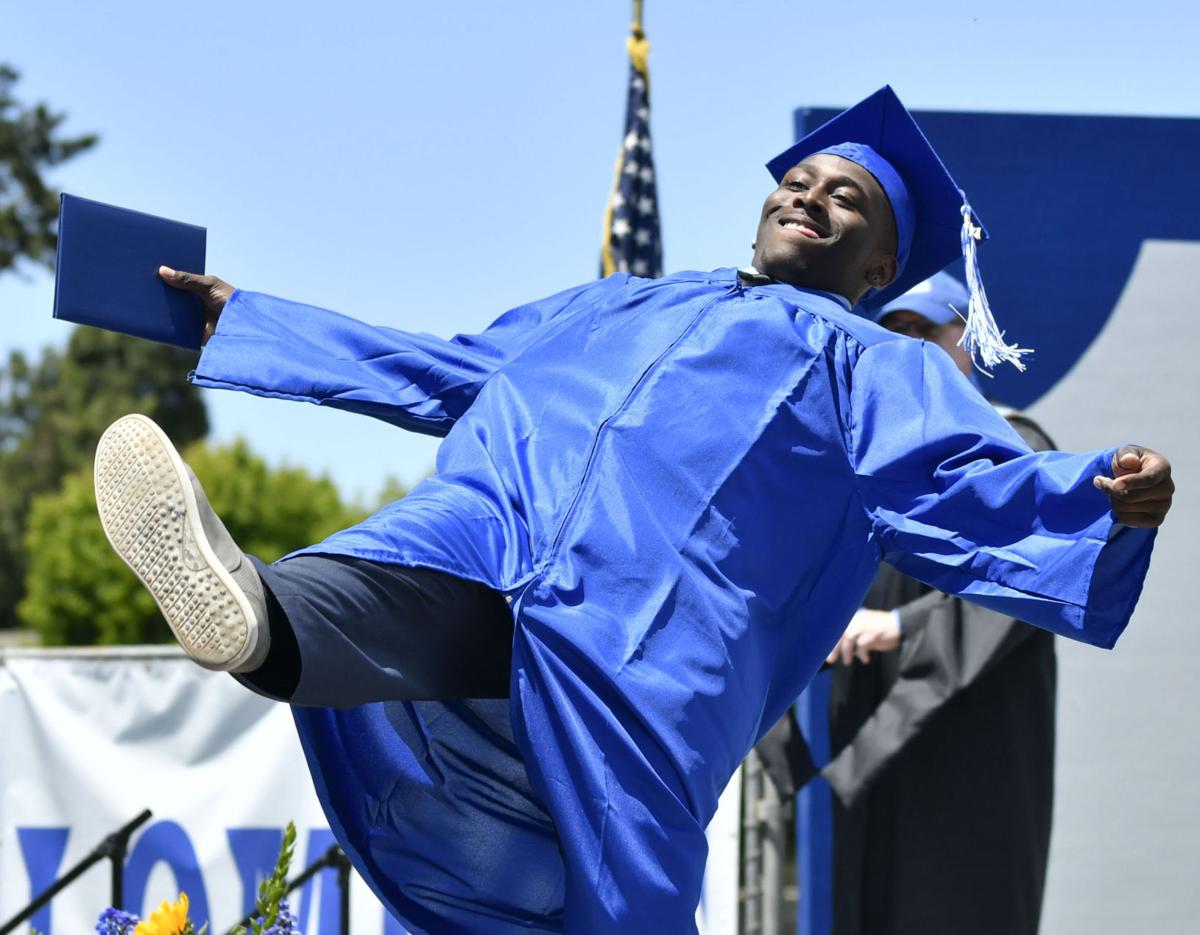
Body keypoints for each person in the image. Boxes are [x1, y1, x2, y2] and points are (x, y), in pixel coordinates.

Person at [93, 87, 1172, 934]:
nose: (808, 195)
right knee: (386, 572)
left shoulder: (877, 361)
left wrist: (1107, 501)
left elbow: (964, 478)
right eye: (798, 179)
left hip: (647, 634)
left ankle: (270, 618)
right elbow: (453, 369)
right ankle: (258, 615)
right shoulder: (625, 299)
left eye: (846, 197)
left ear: (883, 262)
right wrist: (251, 321)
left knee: (629, 891)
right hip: (501, 521)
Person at [757, 272, 1060, 935]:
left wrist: (895, 625)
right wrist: (793, 758)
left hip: (963, 775)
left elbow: (1016, 593)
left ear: (970, 344)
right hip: (854, 783)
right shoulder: (852, 470)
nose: (911, 347)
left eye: (928, 329)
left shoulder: (1015, 453)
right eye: (895, 333)